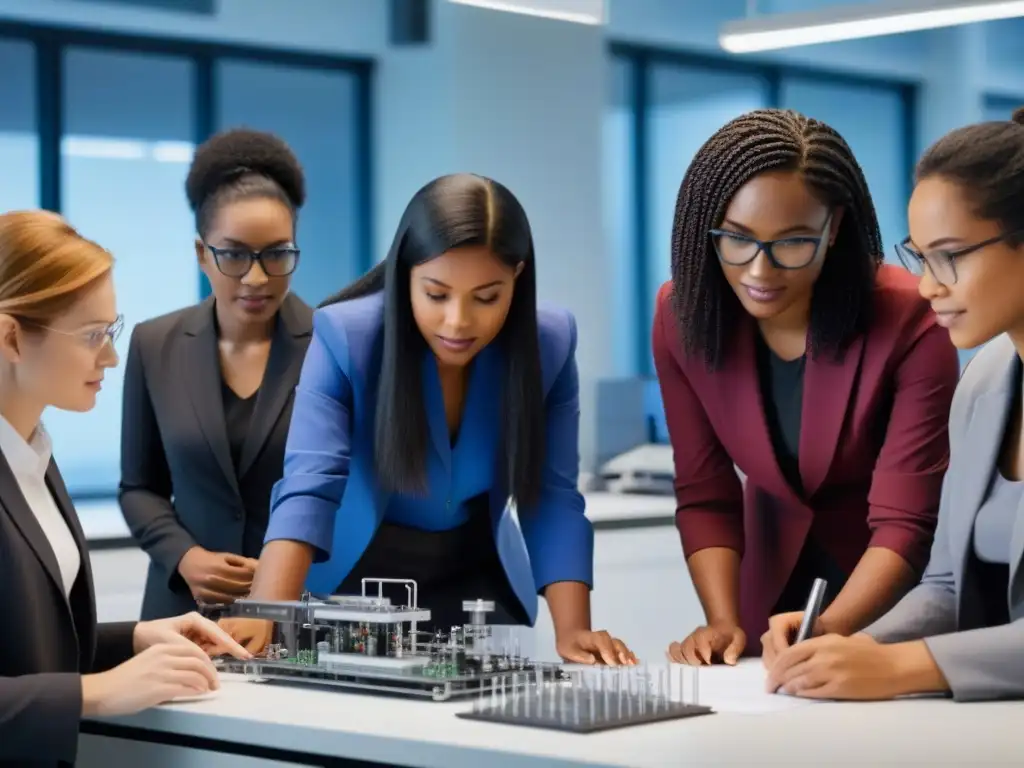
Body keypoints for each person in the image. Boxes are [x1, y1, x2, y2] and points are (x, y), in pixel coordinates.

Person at [223, 173, 634, 665]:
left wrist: (574, 631)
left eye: (487, 297)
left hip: (476, 575)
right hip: (361, 576)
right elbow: (311, 482)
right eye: (437, 294)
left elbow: (552, 494)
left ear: (518, 279)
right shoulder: (345, 336)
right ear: (405, 275)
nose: (458, 322)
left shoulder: (550, 342)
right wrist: (268, 609)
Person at [653, 108, 961, 664]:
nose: (760, 272)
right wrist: (721, 619)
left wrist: (828, 627)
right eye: (737, 240)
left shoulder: (913, 317)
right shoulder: (682, 315)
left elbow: (906, 520)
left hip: (886, 604)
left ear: (834, 227)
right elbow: (705, 492)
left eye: (792, 243)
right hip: (763, 598)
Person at [766, 108, 1024, 702]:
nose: (929, 285)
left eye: (950, 255)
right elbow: (946, 585)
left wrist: (906, 667)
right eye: (920, 257)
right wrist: (840, 641)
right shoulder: (984, 381)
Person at [0, 211, 249, 767]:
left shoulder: (32, 454)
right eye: (93, 336)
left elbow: (30, 649)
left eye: (110, 332)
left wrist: (136, 639)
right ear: (11, 336)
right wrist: (98, 692)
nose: (111, 356)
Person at [119, 128, 314, 620]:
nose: (257, 276)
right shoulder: (154, 343)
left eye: (277, 253)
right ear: (202, 253)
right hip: (182, 609)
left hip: (302, 607)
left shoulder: (332, 344)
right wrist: (184, 556)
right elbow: (139, 486)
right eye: (233, 254)